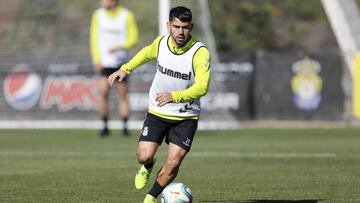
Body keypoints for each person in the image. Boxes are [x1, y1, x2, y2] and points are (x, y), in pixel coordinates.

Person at [108, 6, 211, 203]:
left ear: (192, 27)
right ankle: (147, 166)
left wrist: (175, 96)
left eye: (185, 27)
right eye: (176, 26)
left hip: (185, 117)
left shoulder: (200, 52)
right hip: (158, 111)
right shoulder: (161, 42)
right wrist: (125, 69)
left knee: (173, 163)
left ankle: (150, 198)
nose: (180, 32)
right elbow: (146, 53)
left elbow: (202, 87)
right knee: (143, 156)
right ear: (168, 25)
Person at [90, 0, 138, 137]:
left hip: (121, 63)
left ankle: (125, 127)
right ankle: (105, 126)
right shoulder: (98, 15)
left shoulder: (126, 15)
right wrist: (96, 59)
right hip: (105, 62)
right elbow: (94, 39)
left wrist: (119, 46)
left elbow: (133, 38)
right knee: (103, 93)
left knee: (122, 95)